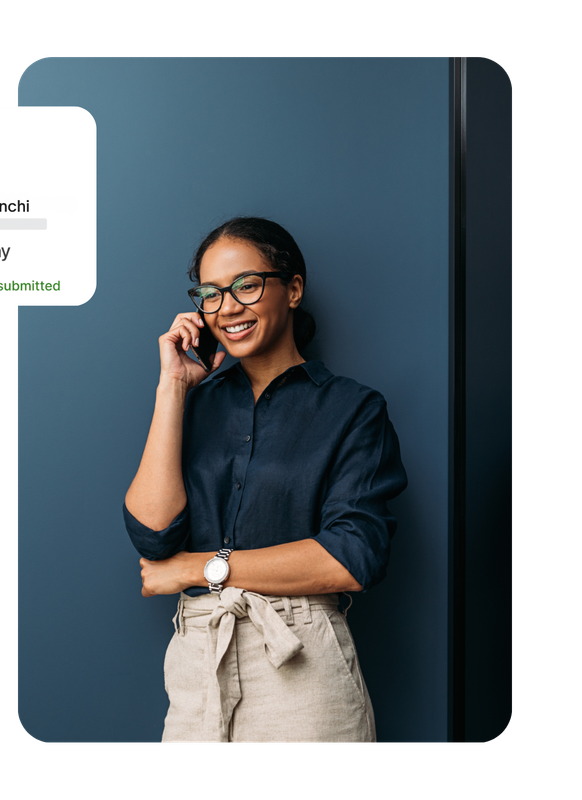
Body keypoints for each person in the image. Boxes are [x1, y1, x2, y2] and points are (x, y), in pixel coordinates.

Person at [123, 217, 407, 744]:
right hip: (197, 661)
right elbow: (153, 536)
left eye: (246, 285)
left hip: (300, 657)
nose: (227, 307)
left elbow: (351, 558)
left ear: (292, 289)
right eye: (211, 293)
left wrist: (197, 568)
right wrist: (172, 387)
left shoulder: (352, 408)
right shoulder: (192, 404)